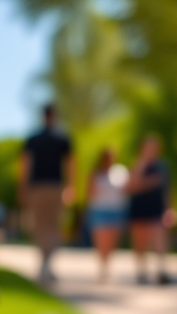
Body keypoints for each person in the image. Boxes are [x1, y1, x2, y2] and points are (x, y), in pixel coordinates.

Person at [19, 104, 75, 283]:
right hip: (55, 187)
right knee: (53, 226)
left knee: (40, 226)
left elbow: (25, 166)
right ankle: (47, 263)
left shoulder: (33, 139)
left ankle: (45, 262)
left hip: (37, 188)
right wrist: (70, 187)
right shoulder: (62, 138)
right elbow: (70, 165)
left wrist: (23, 187)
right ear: (55, 116)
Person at [126, 134, 174, 284]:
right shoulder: (137, 165)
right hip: (139, 207)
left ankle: (161, 270)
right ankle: (141, 270)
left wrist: (170, 209)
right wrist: (149, 182)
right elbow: (130, 187)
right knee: (140, 241)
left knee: (159, 238)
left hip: (157, 208)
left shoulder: (162, 166)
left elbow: (168, 189)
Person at [86, 148, 128, 281]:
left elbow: (127, 190)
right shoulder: (96, 174)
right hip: (100, 210)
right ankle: (102, 267)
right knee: (102, 240)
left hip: (116, 210)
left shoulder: (121, 172)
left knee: (112, 241)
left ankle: (107, 266)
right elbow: (89, 193)